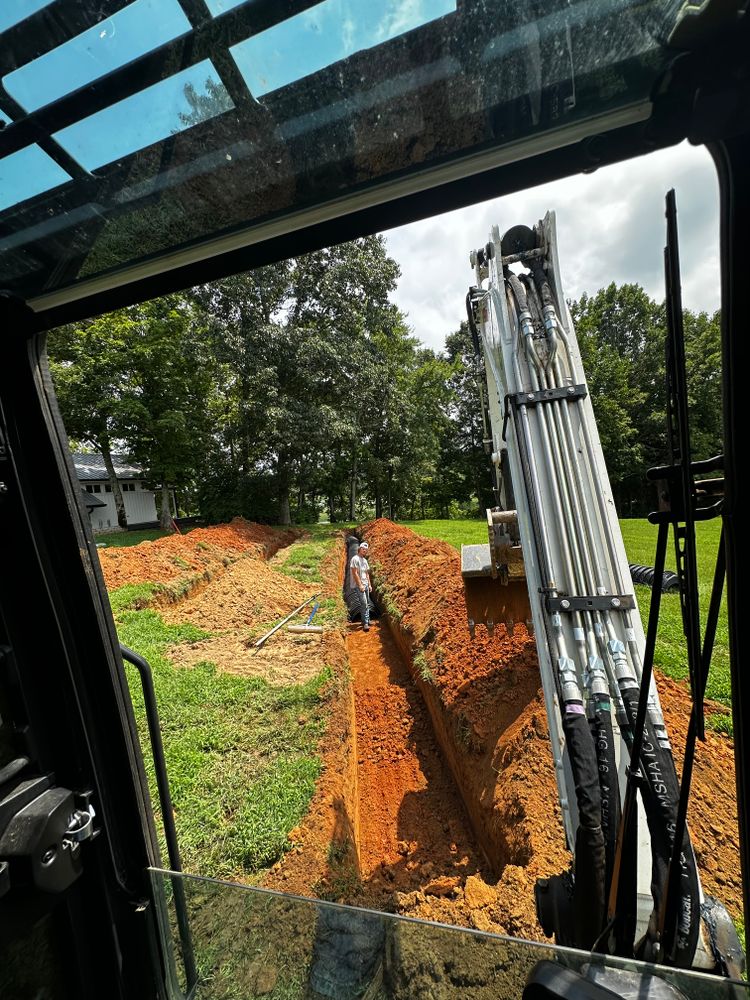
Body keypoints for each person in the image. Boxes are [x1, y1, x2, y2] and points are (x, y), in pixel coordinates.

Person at [350, 541, 372, 631]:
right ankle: (365, 623)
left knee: (367, 603)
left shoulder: (365, 560)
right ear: (359, 549)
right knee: (364, 603)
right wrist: (360, 585)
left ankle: (367, 619)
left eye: (366, 550)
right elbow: (354, 573)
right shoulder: (355, 559)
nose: (364, 551)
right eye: (363, 549)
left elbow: (367, 574)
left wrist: (369, 584)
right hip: (360, 585)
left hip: (366, 584)